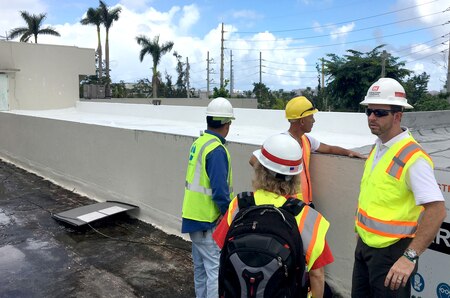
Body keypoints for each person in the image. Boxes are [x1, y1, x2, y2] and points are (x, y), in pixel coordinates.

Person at [352, 77, 447, 297]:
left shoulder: (413, 157)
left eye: (379, 112)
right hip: (366, 247)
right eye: (369, 111)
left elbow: (437, 210)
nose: (372, 117)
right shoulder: (379, 147)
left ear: (398, 116)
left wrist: (409, 257)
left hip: (392, 253)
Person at [214, 134, 334, 298]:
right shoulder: (309, 218)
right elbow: (317, 275)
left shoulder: (239, 204)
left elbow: (222, 249)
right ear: (296, 177)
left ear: (260, 169)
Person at [250, 96, 365, 205]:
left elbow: (329, 148)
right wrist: (277, 178)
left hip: (304, 203)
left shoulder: (306, 140)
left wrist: (349, 152)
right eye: (311, 117)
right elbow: (253, 159)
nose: (313, 121)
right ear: (302, 121)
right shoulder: (281, 143)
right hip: (287, 204)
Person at [181, 97, 235, 298]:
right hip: (208, 221)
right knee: (214, 270)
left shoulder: (199, 143)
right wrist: (227, 213)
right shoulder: (217, 150)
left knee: (201, 270)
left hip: (193, 218)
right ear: (226, 124)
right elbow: (220, 190)